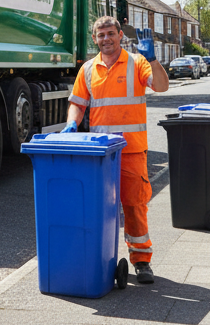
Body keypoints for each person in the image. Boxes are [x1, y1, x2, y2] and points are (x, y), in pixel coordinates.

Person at [63, 17, 170, 283]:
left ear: (120, 35)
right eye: (100, 35)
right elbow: (77, 103)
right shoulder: (88, 69)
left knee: (134, 205)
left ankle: (142, 260)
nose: (106, 39)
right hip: (100, 154)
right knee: (100, 208)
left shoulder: (138, 63)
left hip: (132, 150)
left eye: (111, 33)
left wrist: (153, 59)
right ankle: (101, 258)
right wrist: (70, 124)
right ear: (95, 39)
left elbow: (161, 86)